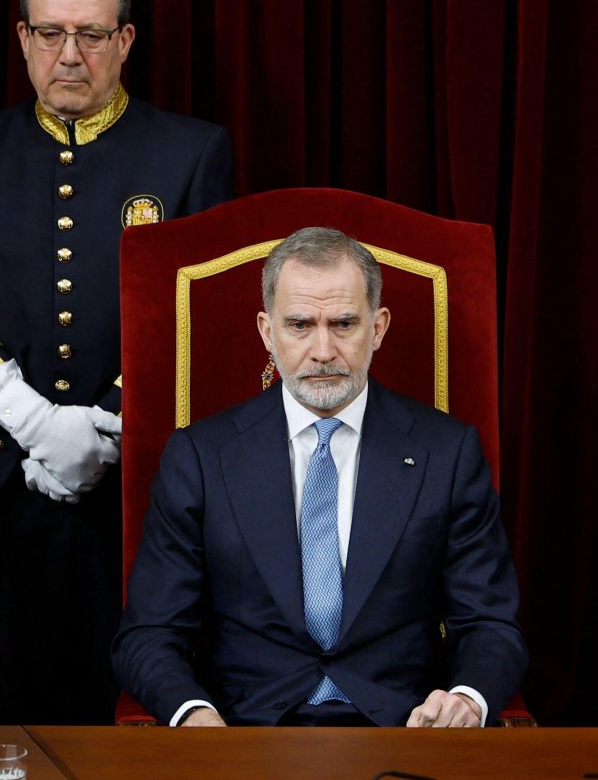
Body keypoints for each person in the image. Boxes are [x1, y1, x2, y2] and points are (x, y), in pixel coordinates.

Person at [113, 227, 528, 727]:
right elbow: (149, 633)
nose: (324, 350)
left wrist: (466, 700)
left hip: (404, 732)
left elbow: (490, 622)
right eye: (300, 325)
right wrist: (194, 714)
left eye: (344, 324)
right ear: (268, 331)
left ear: (378, 328)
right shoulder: (201, 457)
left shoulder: (448, 452)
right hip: (244, 736)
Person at [0, 0, 231, 724]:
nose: (70, 55)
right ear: (24, 38)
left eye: (92, 34)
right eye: (52, 33)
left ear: (125, 40)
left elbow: (200, 313)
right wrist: (31, 422)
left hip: (132, 487)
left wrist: (102, 426)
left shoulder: (189, 153)